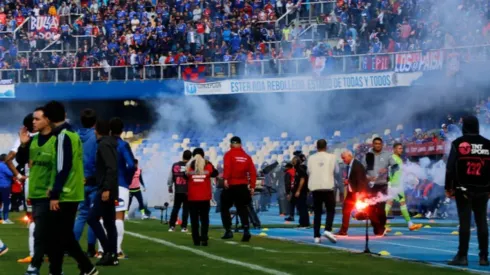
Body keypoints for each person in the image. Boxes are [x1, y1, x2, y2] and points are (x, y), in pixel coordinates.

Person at [43, 101, 97, 275]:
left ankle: (86, 267)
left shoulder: (62, 136)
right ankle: (57, 270)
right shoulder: (72, 134)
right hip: (73, 191)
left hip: (64, 193)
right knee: (60, 236)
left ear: (49, 118)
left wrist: (55, 193)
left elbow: (62, 167)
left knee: (62, 236)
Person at [446, 115, 490, 266]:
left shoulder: (458, 143)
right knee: (482, 222)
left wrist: (448, 187)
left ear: (464, 126)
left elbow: (450, 168)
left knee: (465, 223)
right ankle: (484, 257)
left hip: (463, 189)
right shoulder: (488, 144)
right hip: (484, 189)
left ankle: (462, 256)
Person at [87, 119, 119, 266]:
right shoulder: (110, 143)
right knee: (109, 223)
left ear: (97, 130)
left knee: (92, 218)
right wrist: (90, 180)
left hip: (106, 190)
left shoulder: (103, 145)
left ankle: (108, 251)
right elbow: (107, 169)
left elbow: (111, 168)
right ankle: (112, 256)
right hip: (109, 187)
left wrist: (106, 188)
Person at [221, 136, 256, 242]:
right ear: (241, 144)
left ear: (231, 144)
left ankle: (228, 230)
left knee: (224, 207)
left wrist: (225, 179)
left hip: (231, 184)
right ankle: (246, 230)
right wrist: (252, 186)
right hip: (243, 186)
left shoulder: (228, 154)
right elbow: (253, 172)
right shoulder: (247, 156)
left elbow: (228, 167)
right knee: (242, 208)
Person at [73, 108, 98, 257]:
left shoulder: (74, 136)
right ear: (94, 122)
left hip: (79, 181)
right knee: (93, 216)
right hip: (93, 181)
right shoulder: (96, 137)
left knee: (82, 214)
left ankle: (72, 246)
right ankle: (90, 248)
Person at [385, 143, 422, 232]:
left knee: (397, 203)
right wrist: (389, 182)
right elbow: (391, 171)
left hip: (397, 185)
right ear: (394, 149)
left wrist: (411, 176)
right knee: (393, 203)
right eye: (399, 148)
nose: (401, 150)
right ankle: (383, 224)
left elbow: (400, 171)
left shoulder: (398, 159)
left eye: (401, 148)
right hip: (395, 185)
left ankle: (410, 224)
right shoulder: (393, 158)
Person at [364, 137, 396, 236]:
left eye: (379, 144)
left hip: (382, 185)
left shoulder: (387, 155)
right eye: (375, 143)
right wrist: (368, 177)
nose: (377, 145)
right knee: (370, 208)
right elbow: (362, 170)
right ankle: (377, 226)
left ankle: (381, 228)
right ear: (372, 145)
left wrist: (387, 170)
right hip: (371, 186)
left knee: (381, 209)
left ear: (382, 145)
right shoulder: (368, 155)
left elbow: (396, 167)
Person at [307, 139, 337, 244]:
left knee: (317, 212)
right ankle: (328, 229)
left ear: (317, 147)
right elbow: (336, 170)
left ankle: (316, 236)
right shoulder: (332, 157)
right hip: (327, 186)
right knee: (330, 210)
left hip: (315, 188)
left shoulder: (311, 158)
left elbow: (308, 171)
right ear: (326, 146)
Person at [186, 148, 218, 246]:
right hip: (205, 197)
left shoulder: (189, 166)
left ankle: (196, 240)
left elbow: (185, 176)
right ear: (203, 155)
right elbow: (215, 173)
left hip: (192, 197)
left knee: (194, 220)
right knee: (204, 219)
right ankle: (204, 238)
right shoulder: (208, 164)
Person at [336, 150, 369, 236]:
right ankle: (343, 231)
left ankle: (379, 227)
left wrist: (359, 194)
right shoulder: (349, 165)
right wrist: (348, 181)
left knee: (367, 211)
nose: (343, 160)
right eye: (342, 159)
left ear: (350, 156)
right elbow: (353, 179)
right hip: (352, 192)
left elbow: (361, 180)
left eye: (344, 158)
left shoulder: (357, 165)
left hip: (357, 192)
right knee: (346, 210)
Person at [168, 150, 192, 232]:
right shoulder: (190, 166)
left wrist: (170, 186)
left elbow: (170, 177)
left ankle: (171, 226)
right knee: (186, 209)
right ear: (190, 157)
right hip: (187, 190)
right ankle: (184, 227)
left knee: (175, 208)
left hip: (178, 189)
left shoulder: (175, 165)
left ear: (183, 156)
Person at [290, 156, 310, 228]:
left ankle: (304, 223)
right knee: (301, 207)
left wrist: (298, 190)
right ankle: (304, 222)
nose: (292, 162)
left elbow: (302, 180)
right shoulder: (298, 169)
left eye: (294, 160)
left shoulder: (300, 169)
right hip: (300, 191)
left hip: (301, 192)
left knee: (302, 207)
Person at [0, 153, 13, 224]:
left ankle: (0, 219)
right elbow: (10, 174)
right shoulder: (4, 166)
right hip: (5, 186)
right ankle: (6, 218)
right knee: (6, 203)